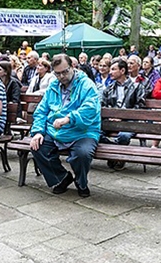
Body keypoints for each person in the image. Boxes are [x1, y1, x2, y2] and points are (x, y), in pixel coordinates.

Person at [29, 54, 100, 197]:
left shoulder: (87, 85)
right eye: (57, 73)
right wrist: (37, 131)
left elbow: (90, 109)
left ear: (73, 67)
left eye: (65, 71)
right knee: (38, 147)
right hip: (56, 130)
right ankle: (61, 178)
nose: (61, 76)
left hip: (83, 131)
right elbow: (41, 111)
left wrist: (69, 118)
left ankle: (81, 182)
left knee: (82, 154)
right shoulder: (53, 86)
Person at [100, 58, 144, 169]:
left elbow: (140, 107)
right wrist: (111, 116)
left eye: (113, 69)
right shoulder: (108, 89)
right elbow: (103, 105)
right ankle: (116, 156)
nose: (110, 72)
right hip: (111, 121)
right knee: (94, 133)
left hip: (129, 122)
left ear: (122, 71)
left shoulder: (136, 87)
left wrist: (122, 117)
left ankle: (115, 157)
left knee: (124, 136)